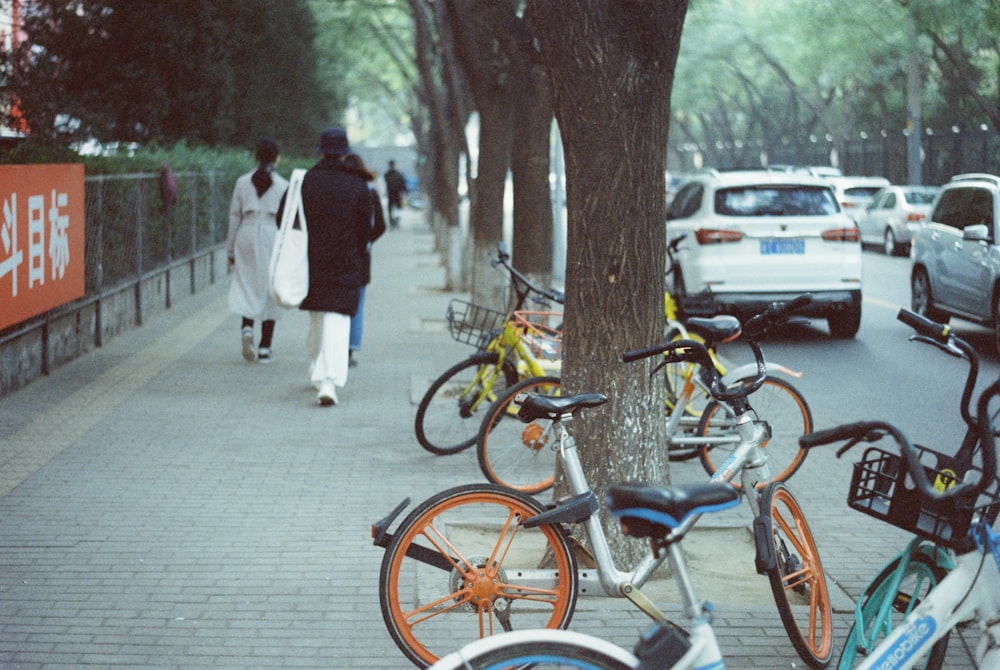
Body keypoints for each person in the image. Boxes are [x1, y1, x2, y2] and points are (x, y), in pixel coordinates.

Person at [279, 127, 373, 406]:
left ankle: (316, 368)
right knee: (337, 320)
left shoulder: (304, 181)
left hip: (311, 261)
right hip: (346, 261)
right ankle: (328, 380)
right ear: (345, 153)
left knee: (318, 317)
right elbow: (364, 230)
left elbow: (282, 221)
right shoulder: (357, 185)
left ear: (320, 151)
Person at [226, 138, 287, 364]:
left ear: (256, 156)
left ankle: (247, 329)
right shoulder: (283, 185)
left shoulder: (242, 183)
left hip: (246, 234)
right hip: (272, 236)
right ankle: (265, 348)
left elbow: (234, 215)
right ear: (277, 158)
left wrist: (230, 249)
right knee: (270, 288)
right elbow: (287, 220)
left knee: (246, 284)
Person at [342, 154, 387, 368]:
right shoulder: (370, 192)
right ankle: (350, 350)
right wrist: (367, 240)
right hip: (362, 256)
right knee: (357, 305)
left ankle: (336, 347)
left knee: (339, 303)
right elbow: (380, 225)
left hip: (340, 254)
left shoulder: (342, 191)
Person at [383, 160, 407, 228]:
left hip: (397, 194)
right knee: (390, 209)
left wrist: (404, 192)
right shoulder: (387, 174)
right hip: (390, 194)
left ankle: (397, 221)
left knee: (398, 208)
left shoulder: (399, 174)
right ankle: (391, 222)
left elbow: (403, 184)